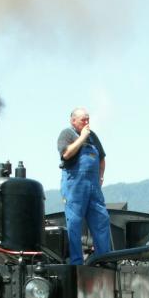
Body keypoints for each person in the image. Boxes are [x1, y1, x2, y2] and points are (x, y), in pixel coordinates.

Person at [57, 107, 112, 265]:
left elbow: (102, 159)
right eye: (83, 120)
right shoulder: (67, 134)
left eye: (88, 119)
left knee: (101, 220)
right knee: (74, 223)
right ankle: (77, 262)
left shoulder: (93, 137)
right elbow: (66, 154)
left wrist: (101, 176)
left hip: (93, 186)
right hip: (75, 185)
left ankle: (104, 259)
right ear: (73, 120)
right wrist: (81, 138)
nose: (87, 123)